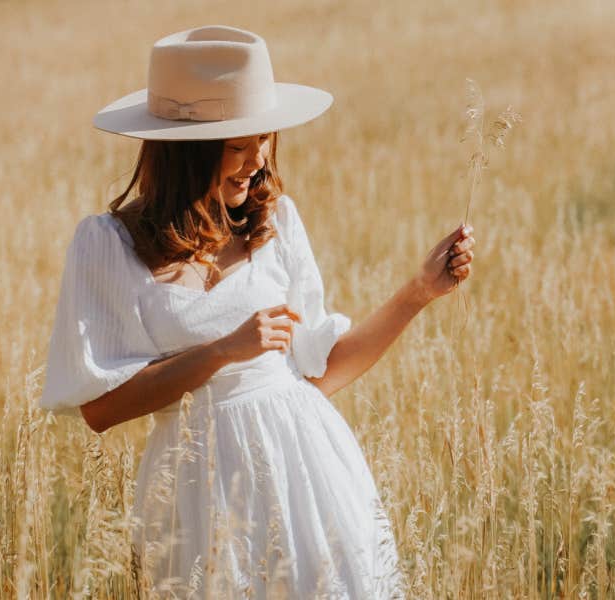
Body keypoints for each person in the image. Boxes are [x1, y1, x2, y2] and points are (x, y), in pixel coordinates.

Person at [38, 25, 475, 599]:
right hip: (196, 488)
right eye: (238, 146)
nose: (257, 161)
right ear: (184, 155)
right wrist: (221, 353)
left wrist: (418, 292)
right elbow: (100, 409)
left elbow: (319, 373)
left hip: (306, 472)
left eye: (264, 140)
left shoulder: (275, 222)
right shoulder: (109, 245)